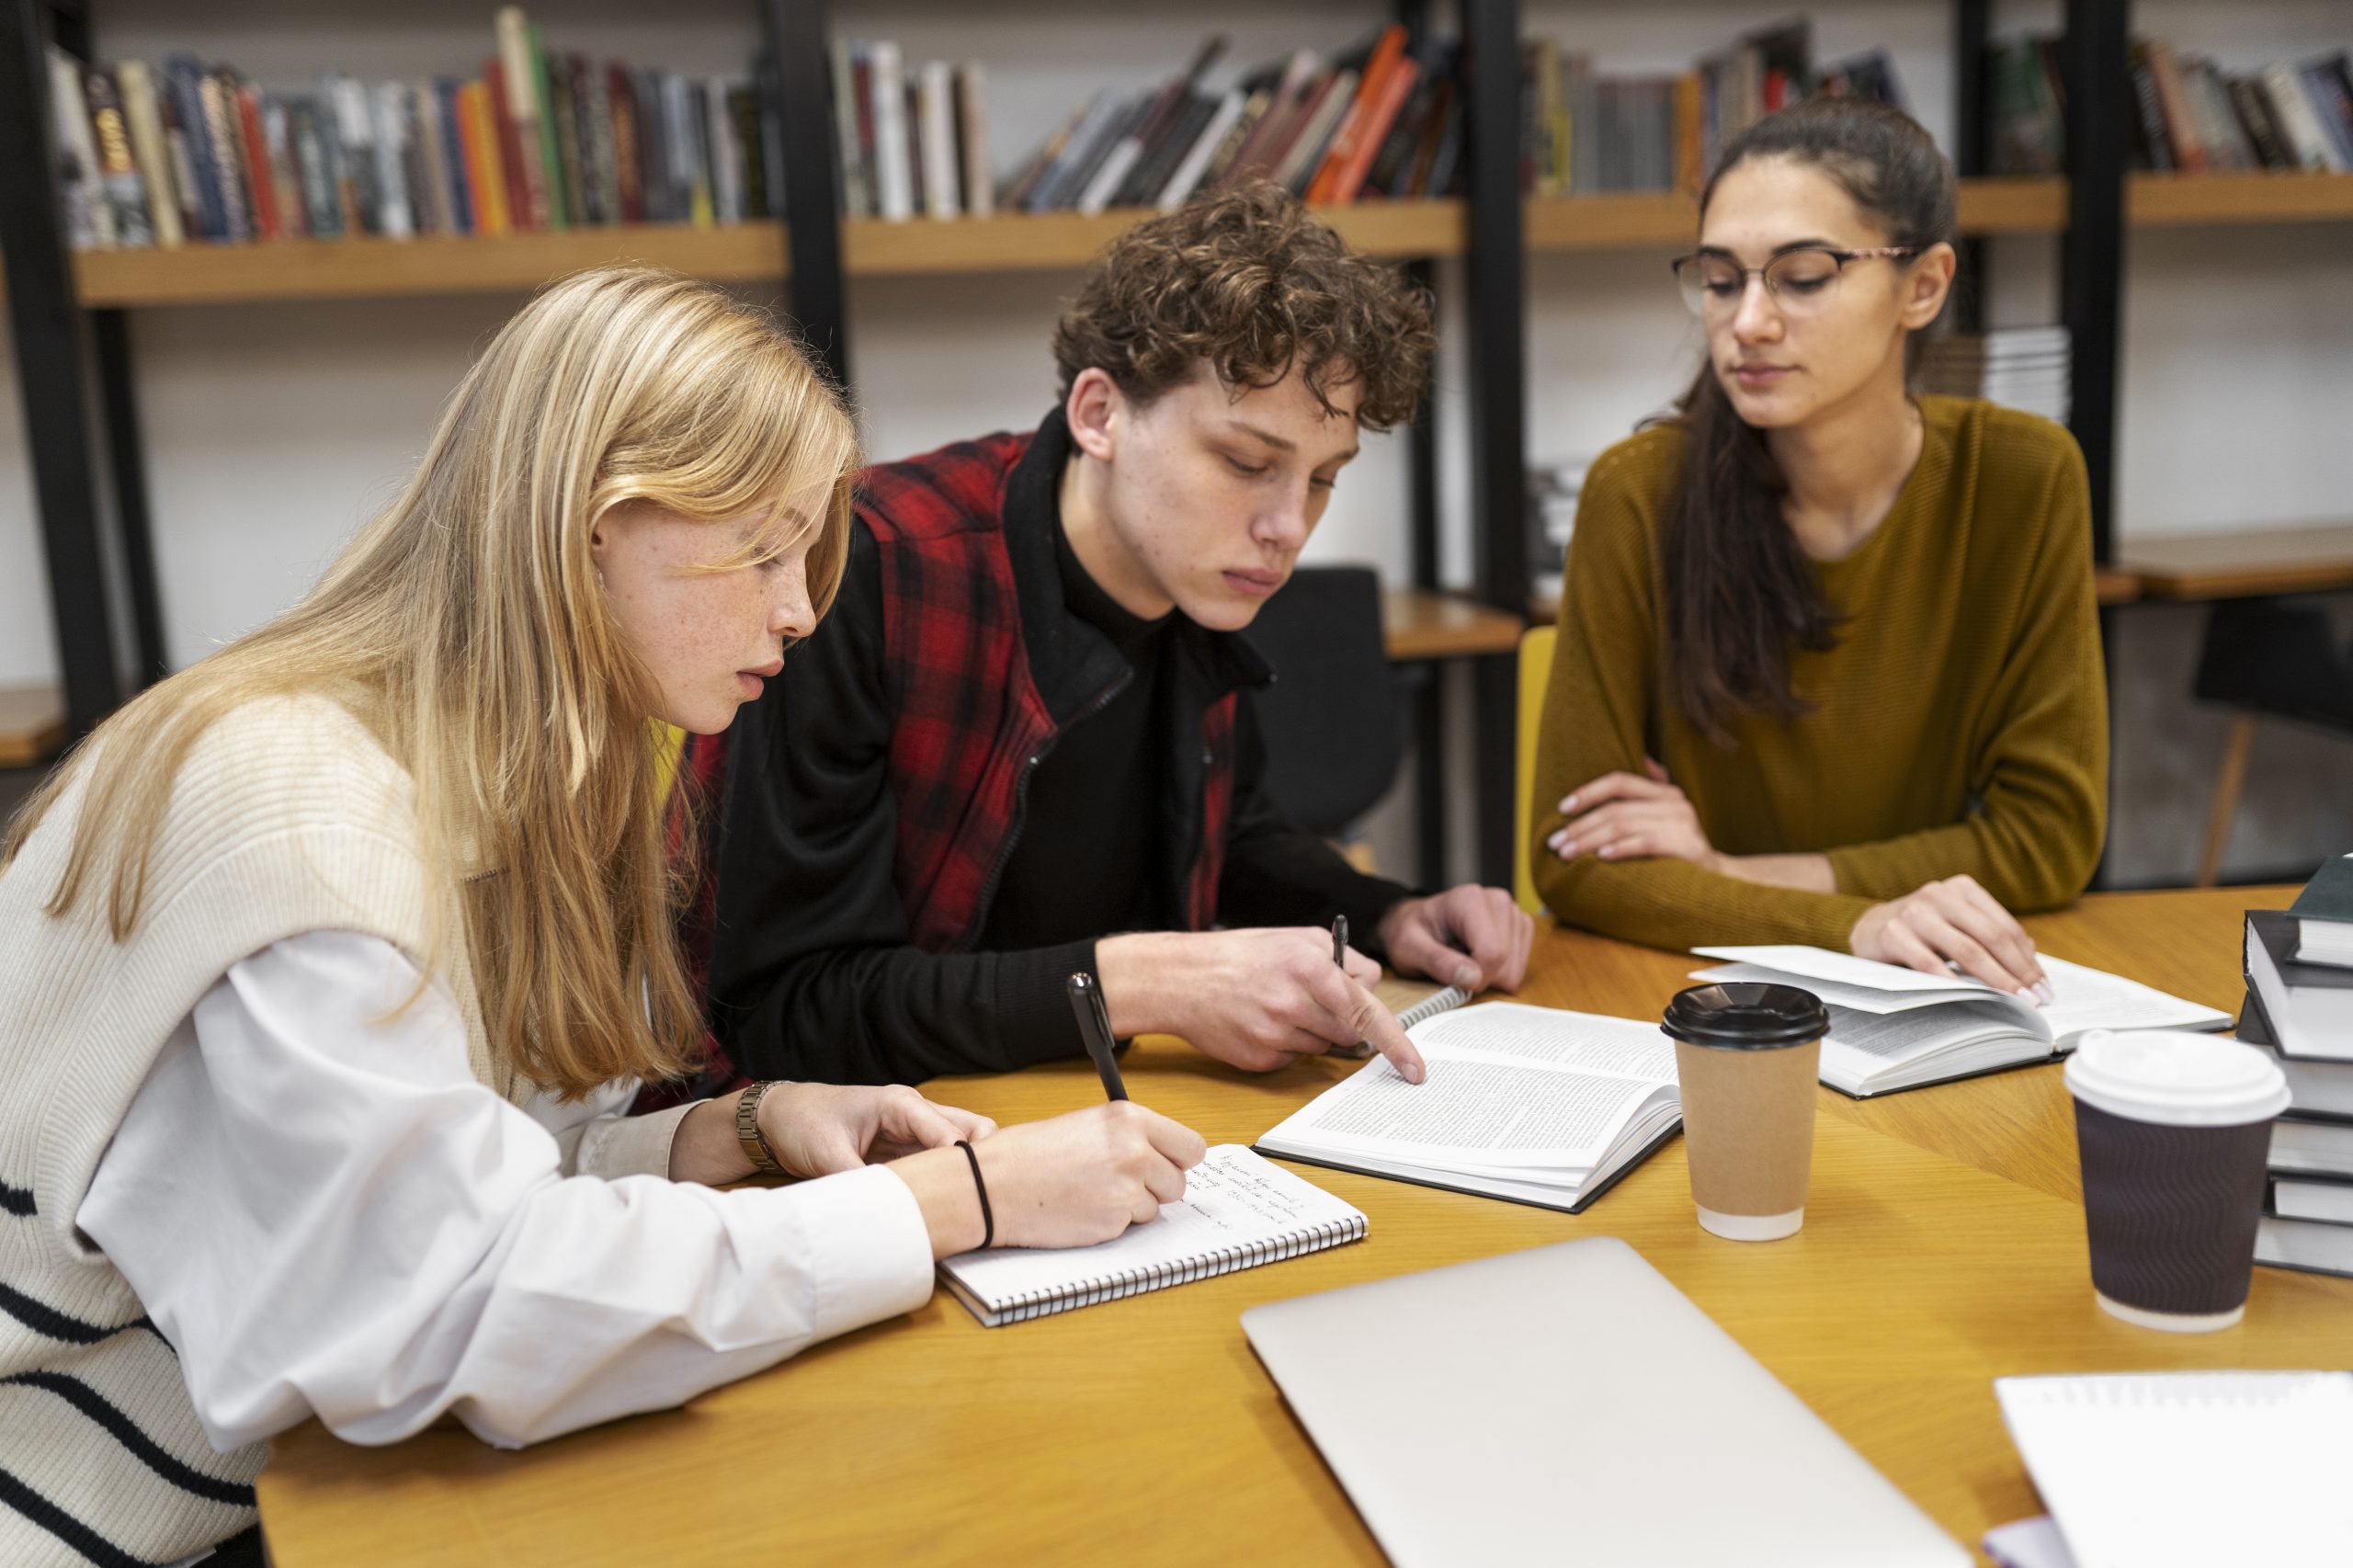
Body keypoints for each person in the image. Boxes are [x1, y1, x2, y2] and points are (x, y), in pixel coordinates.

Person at [0, 267, 1206, 1568]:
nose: (802, 608)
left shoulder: (536, 775)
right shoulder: (295, 799)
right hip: (130, 1525)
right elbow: (451, 1311)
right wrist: (950, 1201)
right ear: (585, 532)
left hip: (300, 1475)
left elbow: (471, 1180)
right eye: (762, 547)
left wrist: (734, 1128)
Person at [699, 184, 1533, 1090]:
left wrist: (1389, 912)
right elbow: (790, 1012)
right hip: (877, 1132)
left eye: (1323, 478)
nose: (1288, 526)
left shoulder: (1199, 570)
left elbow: (1229, 833)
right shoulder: (866, 569)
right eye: (1246, 463)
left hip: (1109, 1105)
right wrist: (1142, 981)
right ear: (1099, 414)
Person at [1530, 97, 2106, 997]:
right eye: (1721, 281)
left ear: (1922, 285)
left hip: (1939, 995)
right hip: (1701, 998)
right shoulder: (1637, 492)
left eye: (1802, 277)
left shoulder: (2022, 478)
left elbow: (2048, 839)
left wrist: (1727, 867)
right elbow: (1575, 862)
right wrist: (1857, 922)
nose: (1748, 323)